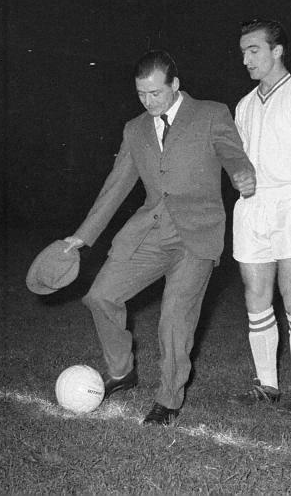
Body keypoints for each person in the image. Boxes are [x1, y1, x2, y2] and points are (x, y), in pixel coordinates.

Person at [63, 50, 256, 425]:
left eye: (156, 93)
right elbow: (116, 186)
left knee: (174, 319)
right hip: (150, 231)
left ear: (175, 85)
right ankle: (121, 371)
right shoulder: (135, 129)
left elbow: (232, 154)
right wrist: (83, 236)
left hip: (197, 235)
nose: (149, 101)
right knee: (101, 295)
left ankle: (168, 399)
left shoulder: (211, 114)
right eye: (141, 94)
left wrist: (241, 173)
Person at [228, 19, 291, 416]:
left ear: (277, 51)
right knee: (256, 296)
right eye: (243, 52)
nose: (246, 59)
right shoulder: (244, 104)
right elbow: (240, 161)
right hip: (252, 205)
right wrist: (240, 179)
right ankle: (267, 385)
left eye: (254, 50)